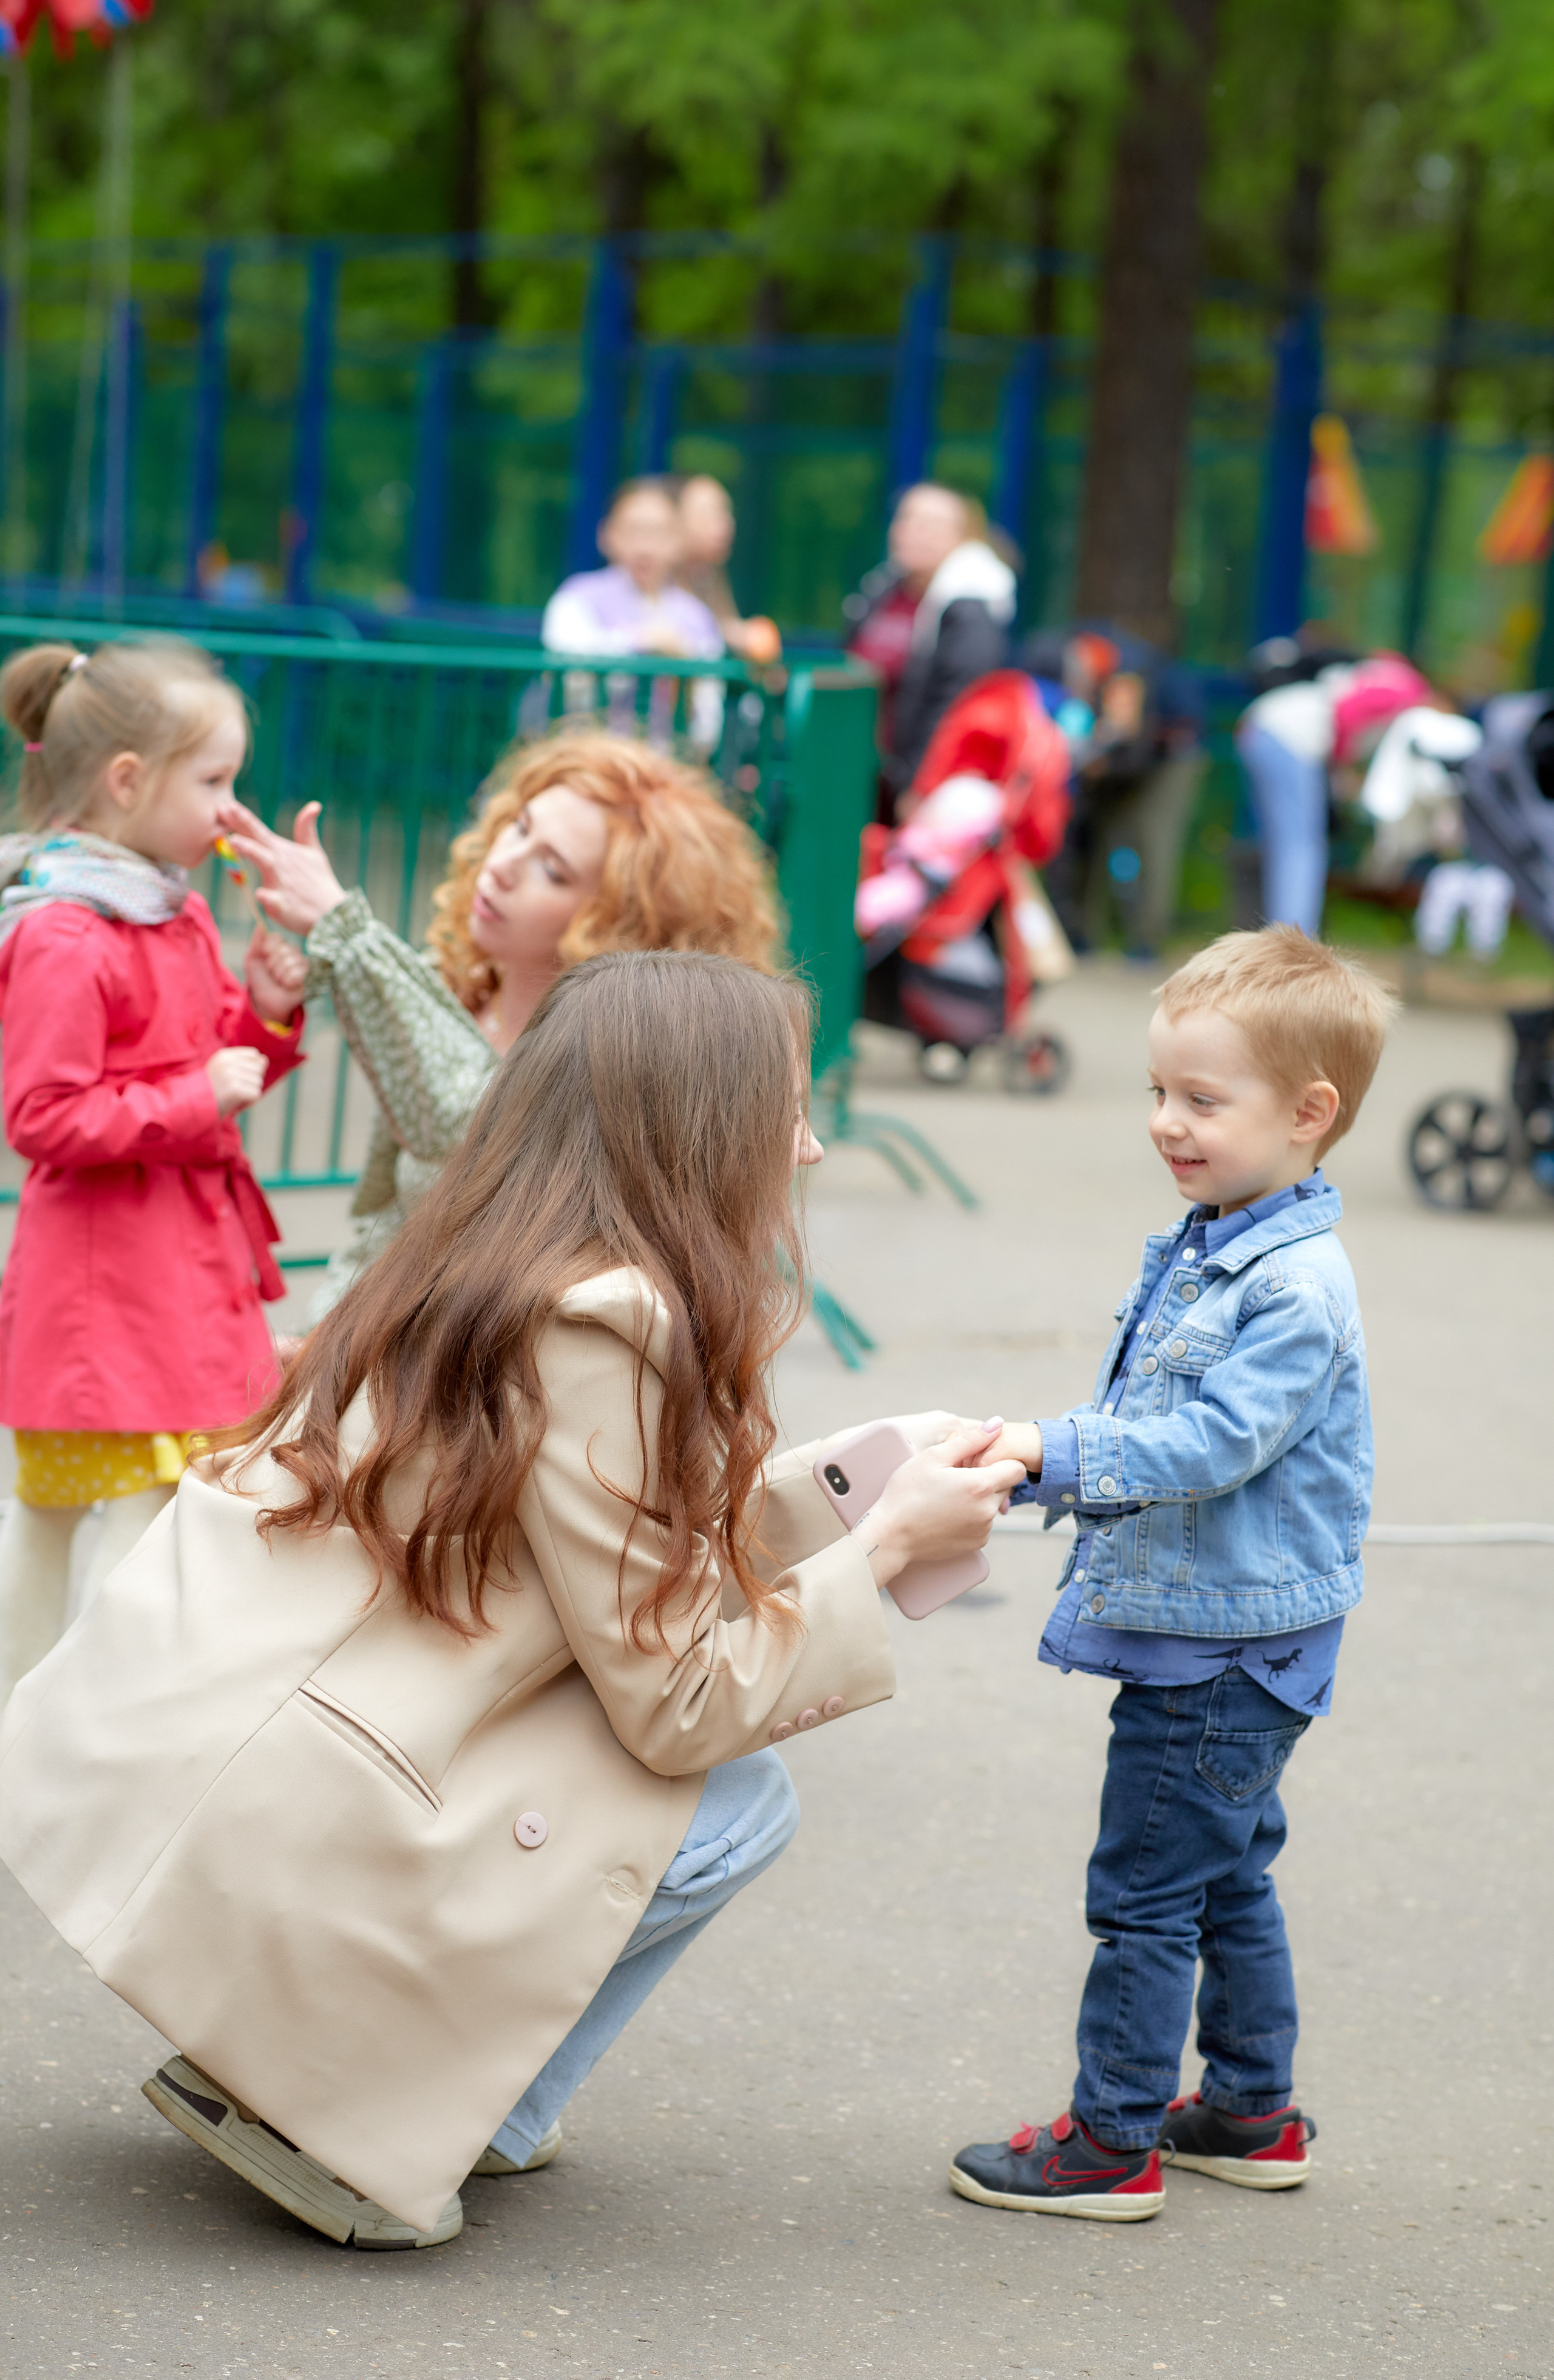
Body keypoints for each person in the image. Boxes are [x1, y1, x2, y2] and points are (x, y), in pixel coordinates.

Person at [0, 948, 1025, 2249]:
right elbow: (677, 1701)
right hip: (316, 1800)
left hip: (240, 1745)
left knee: (710, 1789)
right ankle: (360, 2111)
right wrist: (878, 1555)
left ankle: (381, 2081)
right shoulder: (609, 1328)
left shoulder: (492, 1263)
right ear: (699, 1131)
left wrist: (846, 1491)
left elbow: (609, 1552)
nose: (810, 1150)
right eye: (789, 1112)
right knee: (730, 1802)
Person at [952, 926, 1396, 2219]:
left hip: (1216, 1653)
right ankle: (1249, 2111)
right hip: (1241, 1636)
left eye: (1201, 1100)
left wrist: (1050, 1452)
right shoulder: (1221, 1233)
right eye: (1159, 1092)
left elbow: (1209, 1441)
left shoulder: (1289, 1285)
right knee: (1224, 1874)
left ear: (1308, 1113)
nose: (1164, 1122)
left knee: (1142, 1894)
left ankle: (1109, 2139)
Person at [0, 638, 307, 1707]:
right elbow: (40, 1116)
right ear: (128, 781)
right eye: (215, 780)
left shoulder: (164, 906)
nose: (233, 808)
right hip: (108, 1298)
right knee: (82, 1534)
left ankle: (93, 1739)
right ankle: (54, 1740)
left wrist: (266, 1011)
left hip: (169, 1279)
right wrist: (199, 1095)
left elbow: (215, 1053)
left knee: (153, 1526)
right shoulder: (68, 933)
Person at [219, 731, 781, 1313]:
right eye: (519, 827)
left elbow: (466, 1118)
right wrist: (277, 1006)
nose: (503, 865)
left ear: (619, 924)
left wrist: (346, 929)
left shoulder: (613, 1066)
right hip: (368, 1330)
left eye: (554, 870)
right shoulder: (459, 983)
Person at [1236, 650, 1433, 937]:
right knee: (1301, 847)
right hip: (1287, 735)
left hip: (1268, 728)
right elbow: (1346, 714)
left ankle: (1282, 938)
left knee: (1288, 845)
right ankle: (1293, 946)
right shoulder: (1410, 689)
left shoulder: (1385, 678)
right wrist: (1341, 767)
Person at [846, 484, 1017, 811]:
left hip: (916, 787)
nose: (915, 532)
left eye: (931, 524)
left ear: (962, 538)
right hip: (862, 772)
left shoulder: (970, 607)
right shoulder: (880, 591)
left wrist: (920, 786)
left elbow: (957, 704)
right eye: (907, 519)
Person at [542, 478, 723, 664]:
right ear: (606, 535)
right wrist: (644, 642)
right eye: (633, 530)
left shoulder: (697, 616)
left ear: (679, 540)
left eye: (657, 532)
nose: (644, 547)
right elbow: (566, 658)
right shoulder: (577, 597)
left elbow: (709, 686)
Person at [674, 474, 782, 665]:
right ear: (674, 519)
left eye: (726, 513)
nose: (726, 524)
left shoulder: (710, 575)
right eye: (709, 514)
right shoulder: (656, 577)